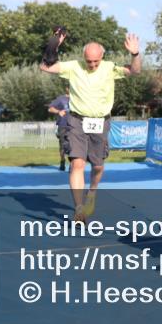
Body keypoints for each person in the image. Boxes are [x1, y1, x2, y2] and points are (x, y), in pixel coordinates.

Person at [39, 30, 142, 221]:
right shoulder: (73, 67)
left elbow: (135, 71)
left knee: (98, 166)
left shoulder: (110, 68)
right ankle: (79, 208)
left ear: (102, 57)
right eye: (89, 61)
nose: (92, 65)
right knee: (77, 163)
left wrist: (135, 54)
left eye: (96, 61)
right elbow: (45, 67)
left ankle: (92, 192)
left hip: (100, 122)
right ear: (83, 57)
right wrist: (53, 45)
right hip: (76, 121)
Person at [48, 88, 72, 171]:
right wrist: (58, 112)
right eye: (70, 87)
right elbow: (50, 108)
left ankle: (72, 164)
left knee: (72, 145)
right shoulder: (60, 99)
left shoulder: (77, 99)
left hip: (74, 126)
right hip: (62, 125)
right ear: (67, 89)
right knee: (62, 145)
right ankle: (62, 161)